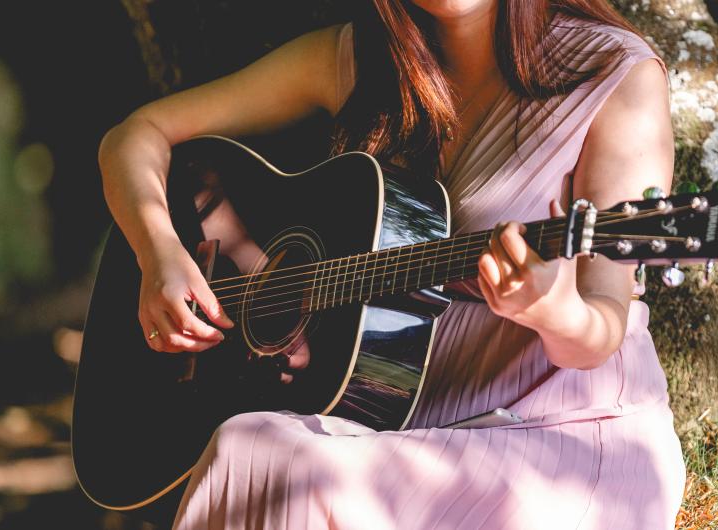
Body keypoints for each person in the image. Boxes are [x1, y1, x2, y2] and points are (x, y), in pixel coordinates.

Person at [98, 0, 685, 528]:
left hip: (567, 440)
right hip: (403, 430)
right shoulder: (356, 60)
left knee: (257, 453)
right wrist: (160, 255)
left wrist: (553, 311)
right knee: (252, 447)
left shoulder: (616, 75)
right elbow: (135, 135)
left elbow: (603, 327)